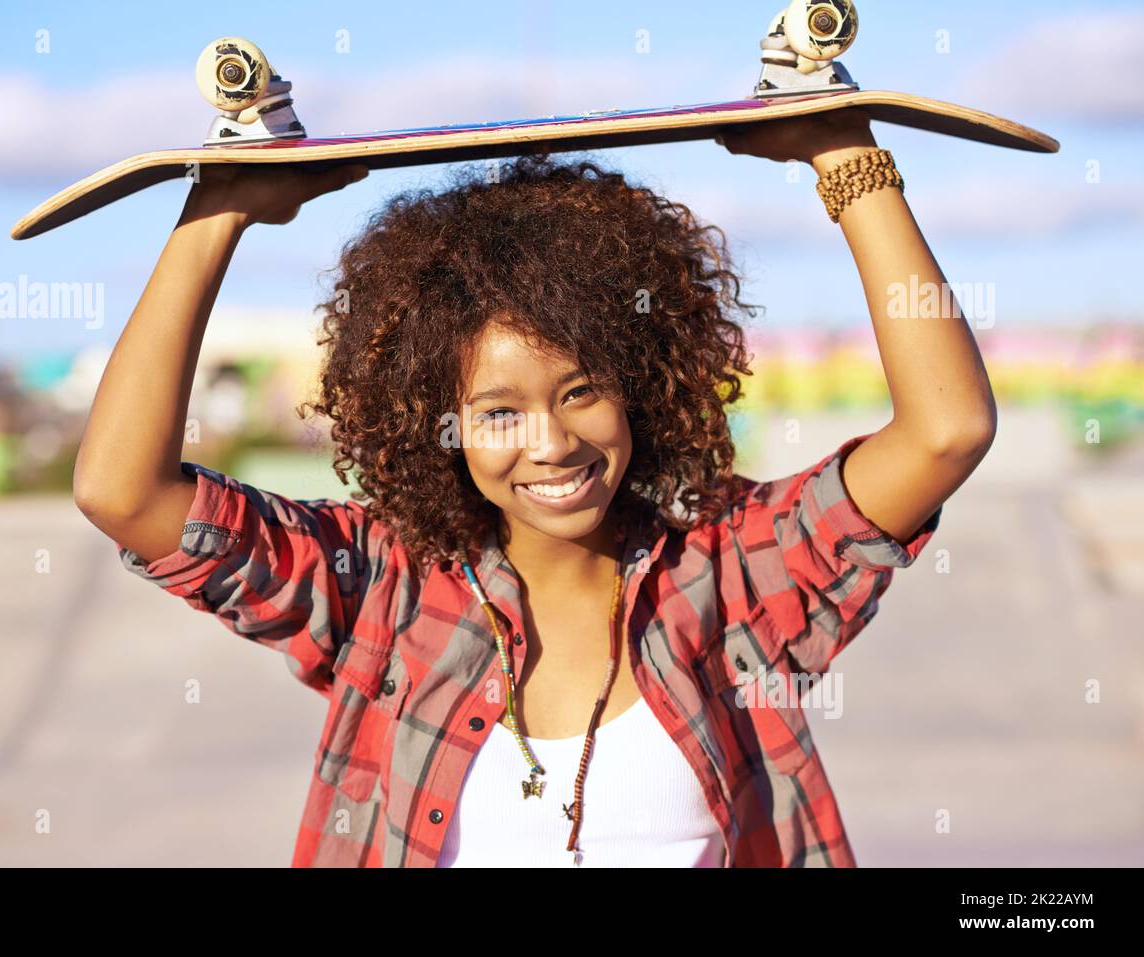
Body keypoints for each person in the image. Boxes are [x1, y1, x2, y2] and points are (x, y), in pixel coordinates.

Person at [74, 108, 994, 867]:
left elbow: (946, 429)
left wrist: (848, 162)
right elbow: (123, 490)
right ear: (442, 427)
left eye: (581, 390)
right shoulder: (382, 591)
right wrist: (216, 212)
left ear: (639, 381)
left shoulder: (732, 575)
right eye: (498, 412)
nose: (551, 444)